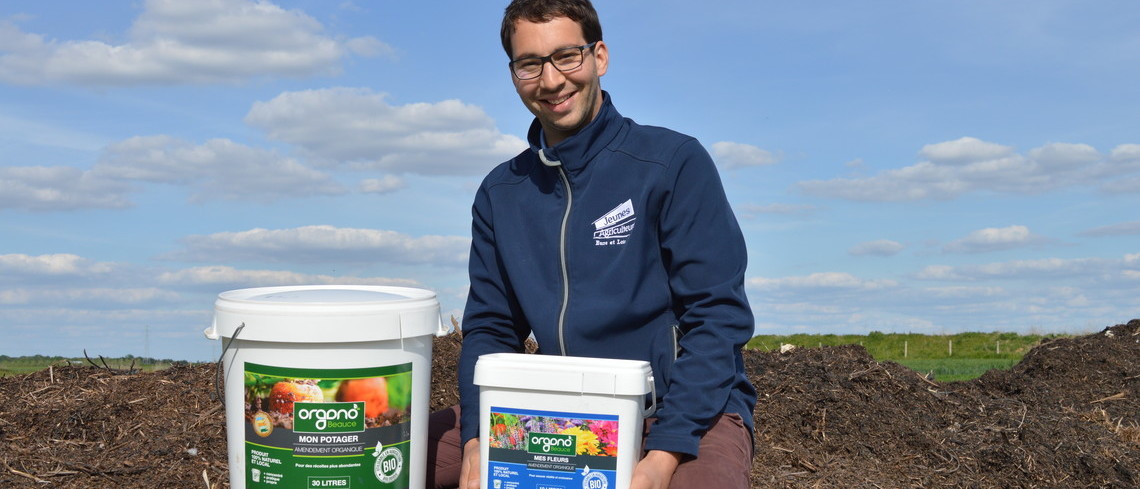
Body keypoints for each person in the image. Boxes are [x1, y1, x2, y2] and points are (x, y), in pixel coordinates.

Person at [428, 1, 756, 488]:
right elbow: (491, 328)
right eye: (530, 63)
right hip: (555, 409)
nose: (552, 80)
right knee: (392, 453)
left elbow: (717, 319)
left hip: (675, 410)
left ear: (599, 57)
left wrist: (664, 452)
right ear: (514, 73)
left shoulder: (673, 163)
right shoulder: (502, 192)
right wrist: (477, 438)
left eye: (567, 56)